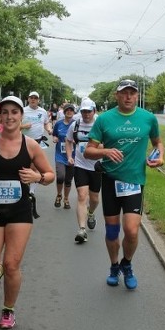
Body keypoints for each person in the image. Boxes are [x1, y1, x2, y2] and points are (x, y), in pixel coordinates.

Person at [0, 95, 55, 329]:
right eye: (5, 112)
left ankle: (8, 309)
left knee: (12, 264)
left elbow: (50, 175)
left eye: (14, 112)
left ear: (21, 116)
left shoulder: (30, 145)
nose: (9, 116)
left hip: (20, 211)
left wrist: (37, 176)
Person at [84, 79, 164, 290]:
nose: (128, 96)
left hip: (135, 182)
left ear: (137, 96)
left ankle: (126, 264)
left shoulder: (148, 118)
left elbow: (158, 142)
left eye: (132, 93)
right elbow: (88, 151)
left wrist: (160, 156)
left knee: (131, 230)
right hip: (110, 181)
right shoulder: (105, 119)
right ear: (116, 95)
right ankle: (113, 266)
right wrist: (105, 151)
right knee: (112, 231)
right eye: (124, 93)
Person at [65, 98, 101, 244]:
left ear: (94, 111)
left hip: (97, 166)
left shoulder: (100, 124)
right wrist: (69, 156)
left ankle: (91, 213)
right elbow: (68, 140)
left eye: (89, 111)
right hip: (80, 165)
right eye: (84, 111)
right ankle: (82, 229)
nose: (86, 114)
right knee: (81, 196)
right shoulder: (76, 124)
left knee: (94, 199)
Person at [21, 91, 52, 218]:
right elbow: (15, 124)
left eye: (35, 98)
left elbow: (46, 122)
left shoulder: (43, 112)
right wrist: (23, 126)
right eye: (31, 98)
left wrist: (49, 129)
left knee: (35, 167)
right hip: (23, 142)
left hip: (38, 143)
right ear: (28, 99)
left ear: (38, 100)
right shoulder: (23, 111)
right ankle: (24, 189)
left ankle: (31, 192)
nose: (33, 100)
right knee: (24, 167)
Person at [51, 102, 76, 210]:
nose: (69, 112)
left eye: (71, 110)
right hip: (60, 155)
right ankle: (59, 194)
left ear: (73, 112)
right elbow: (54, 135)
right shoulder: (59, 124)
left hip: (73, 155)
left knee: (68, 179)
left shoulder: (76, 124)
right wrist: (55, 139)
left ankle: (66, 198)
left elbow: (80, 138)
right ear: (64, 112)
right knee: (61, 176)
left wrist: (75, 141)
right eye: (67, 110)